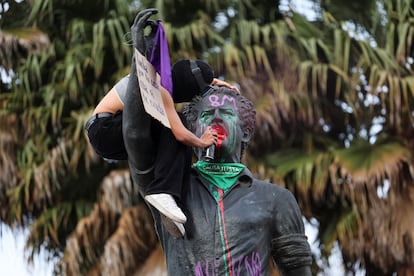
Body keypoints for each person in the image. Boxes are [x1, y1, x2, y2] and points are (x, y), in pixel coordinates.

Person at [124, 9, 313, 275]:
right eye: (206, 114)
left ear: (245, 132)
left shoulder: (276, 200)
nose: (215, 119)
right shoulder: (168, 191)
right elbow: (134, 134)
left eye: (226, 114)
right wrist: (142, 61)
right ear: (192, 128)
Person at [85, 9, 238, 234]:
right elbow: (179, 134)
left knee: (176, 143)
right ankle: (162, 191)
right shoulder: (160, 88)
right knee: (178, 131)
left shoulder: (167, 79)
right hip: (105, 128)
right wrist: (202, 141)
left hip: (110, 130)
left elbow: (192, 75)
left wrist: (215, 83)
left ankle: (174, 201)